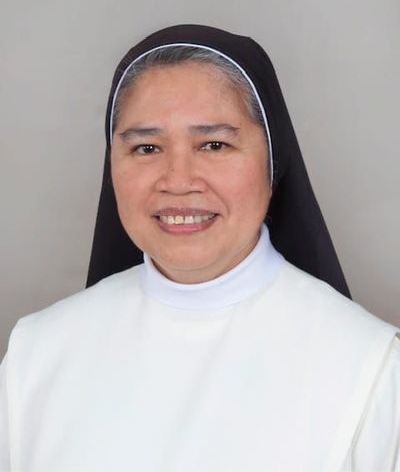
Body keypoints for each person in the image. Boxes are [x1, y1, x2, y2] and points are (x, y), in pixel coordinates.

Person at [0, 25, 399, 471]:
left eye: (214, 144)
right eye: (147, 148)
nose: (178, 181)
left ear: (272, 162)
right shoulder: (36, 354)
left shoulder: (370, 368)